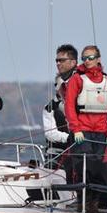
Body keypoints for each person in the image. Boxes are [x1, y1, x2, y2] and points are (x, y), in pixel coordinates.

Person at [64, 45, 107, 213]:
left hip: (101, 131)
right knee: (84, 166)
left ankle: (94, 204)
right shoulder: (77, 79)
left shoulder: (106, 79)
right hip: (83, 131)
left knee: (97, 167)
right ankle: (84, 203)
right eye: (84, 58)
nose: (87, 61)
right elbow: (69, 106)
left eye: (90, 58)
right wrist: (76, 129)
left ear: (98, 59)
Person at [42, 44, 77, 181]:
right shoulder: (50, 108)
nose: (58, 63)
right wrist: (69, 138)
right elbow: (49, 133)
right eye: (56, 60)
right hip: (60, 152)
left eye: (61, 60)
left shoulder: (82, 86)